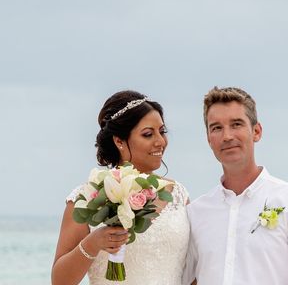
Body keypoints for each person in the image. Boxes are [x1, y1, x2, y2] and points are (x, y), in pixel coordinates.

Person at [184, 87, 288, 285]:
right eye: (217, 128)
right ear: (208, 139)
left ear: (256, 131)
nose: (227, 136)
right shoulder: (196, 212)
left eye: (236, 124)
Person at [52, 90, 190, 285]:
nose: (160, 141)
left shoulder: (178, 195)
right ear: (119, 141)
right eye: (148, 134)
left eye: (162, 131)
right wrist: (92, 244)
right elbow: (59, 281)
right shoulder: (87, 197)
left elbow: (192, 272)